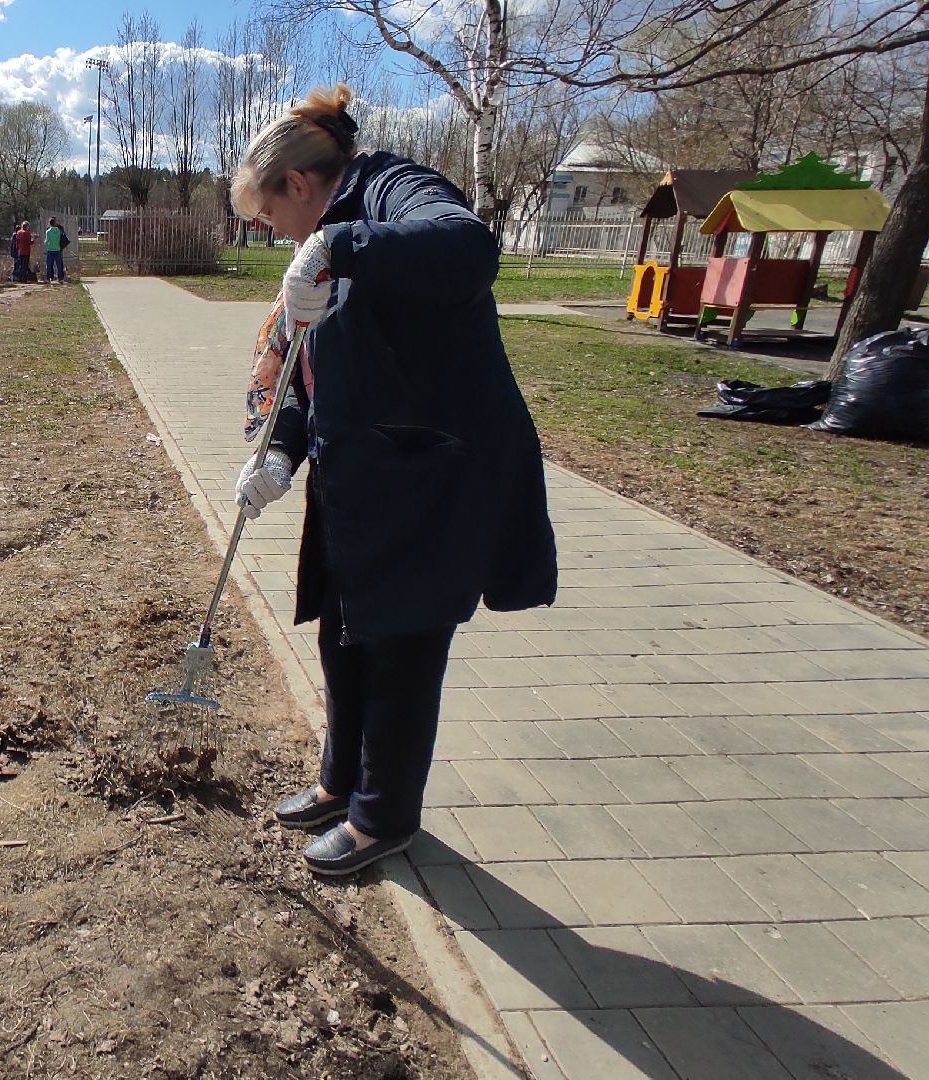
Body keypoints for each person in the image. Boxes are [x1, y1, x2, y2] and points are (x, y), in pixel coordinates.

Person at [230, 83, 558, 876]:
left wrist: (338, 245)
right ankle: (340, 784)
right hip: (360, 482)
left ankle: (384, 818)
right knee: (345, 637)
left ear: (299, 184)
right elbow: (308, 364)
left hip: (431, 482)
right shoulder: (320, 249)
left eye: (270, 215)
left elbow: (467, 248)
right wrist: (280, 452)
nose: (273, 233)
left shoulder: (393, 189)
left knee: (401, 651)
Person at [43, 217, 67, 283]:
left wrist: (45, 242)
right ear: (55, 223)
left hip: (50, 249)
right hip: (57, 249)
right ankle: (60, 278)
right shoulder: (58, 231)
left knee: (49, 265)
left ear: (49, 223)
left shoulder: (48, 231)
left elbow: (46, 241)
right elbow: (59, 239)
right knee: (59, 265)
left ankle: (48, 278)